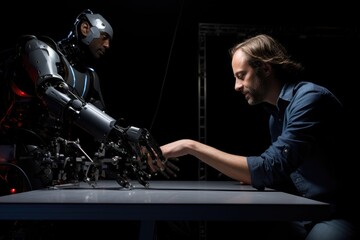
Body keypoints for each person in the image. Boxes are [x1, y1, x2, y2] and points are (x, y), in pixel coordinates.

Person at [159, 34, 358, 239]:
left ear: (265, 68)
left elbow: (270, 168)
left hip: (337, 214)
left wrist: (190, 146)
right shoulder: (275, 117)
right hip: (306, 212)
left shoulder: (310, 99)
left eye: (241, 75)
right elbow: (279, 174)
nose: (236, 86)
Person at [0, 9, 176, 239]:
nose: (108, 46)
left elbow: (100, 128)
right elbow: (51, 90)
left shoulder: (89, 77)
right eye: (105, 38)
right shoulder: (40, 49)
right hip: (20, 153)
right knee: (28, 225)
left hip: (59, 162)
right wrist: (120, 132)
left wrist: (135, 156)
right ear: (85, 29)